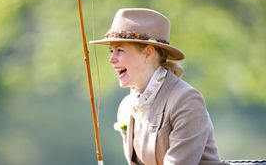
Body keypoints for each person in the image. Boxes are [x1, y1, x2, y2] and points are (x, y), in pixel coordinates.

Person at [90, 8, 227, 165]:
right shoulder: (127, 106)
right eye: (111, 51)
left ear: (148, 52)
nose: (111, 59)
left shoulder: (186, 100)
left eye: (119, 50)